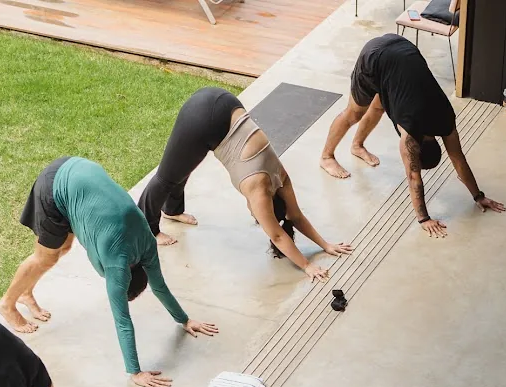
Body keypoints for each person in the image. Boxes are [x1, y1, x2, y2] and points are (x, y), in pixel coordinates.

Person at [0, 156, 219, 387]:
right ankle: (7, 304)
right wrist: (135, 371)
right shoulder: (116, 266)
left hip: (82, 170)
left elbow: (160, 287)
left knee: (63, 247)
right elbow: (123, 321)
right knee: (46, 256)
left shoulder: (147, 245)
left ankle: (26, 292)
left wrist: (185, 320)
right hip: (56, 185)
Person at [137, 88, 355, 279]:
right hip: (204, 118)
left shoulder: (281, 179)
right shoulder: (259, 193)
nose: (252, 212)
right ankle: (146, 229)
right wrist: (307, 266)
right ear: (268, 206)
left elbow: (295, 216)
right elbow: (277, 235)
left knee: (182, 163)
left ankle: (173, 210)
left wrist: (326, 245)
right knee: (165, 178)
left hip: (226, 103)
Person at [320, 34, 506, 237]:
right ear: (417, 149)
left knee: (380, 105)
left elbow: (458, 158)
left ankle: (357, 145)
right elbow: (414, 177)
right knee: (354, 113)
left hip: (403, 47)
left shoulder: (445, 120)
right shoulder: (410, 135)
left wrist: (479, 196)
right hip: (375, 57)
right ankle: (326, 157)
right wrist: (424, 219)